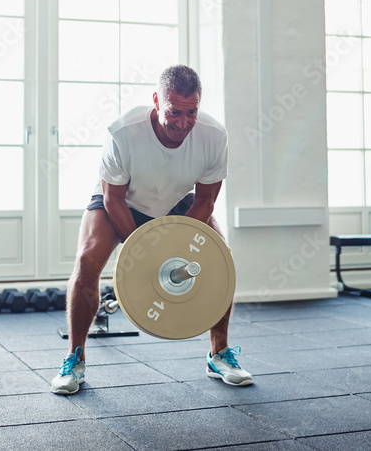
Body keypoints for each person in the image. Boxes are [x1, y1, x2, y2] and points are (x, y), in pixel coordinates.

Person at [51, 64, 252, 395]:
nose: (183, 123)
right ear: (157, 101)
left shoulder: (213, 136)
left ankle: (219, 354)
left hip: (177, 200)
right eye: (175, 112)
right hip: (123, 200)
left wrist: (180, 247)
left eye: (191, 112)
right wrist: (144, 253)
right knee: (87, 261)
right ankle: (75, 358)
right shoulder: (123, 132)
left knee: (220, 259)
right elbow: (113, 199)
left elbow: (205, 200)